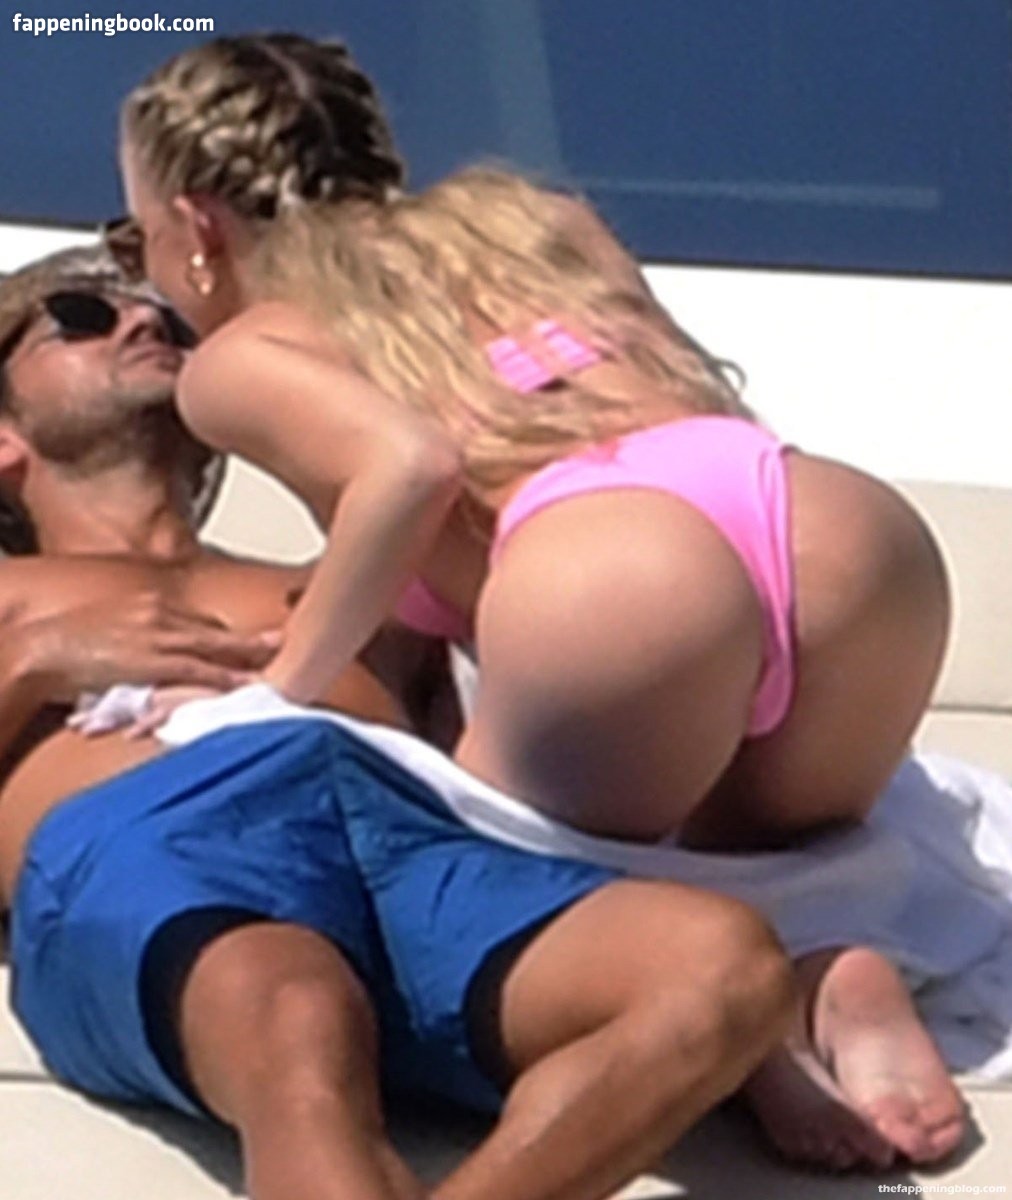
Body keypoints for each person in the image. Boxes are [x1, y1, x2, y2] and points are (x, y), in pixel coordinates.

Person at [108, 33, 964, 1170]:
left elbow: (409, 469)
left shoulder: (244, 356)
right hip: (834, 531)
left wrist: (278, 685)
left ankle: (768, 1026)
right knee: (765, 844)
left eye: (134, 239)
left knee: (513, 895)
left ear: (197, 226)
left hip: (611, 573)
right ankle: (836, 962)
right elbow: (679, 408)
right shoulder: (531, 225)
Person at [0, 247, 794, 1200]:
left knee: (721, 966)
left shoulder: (355, 587)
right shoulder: (13, 594)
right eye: (80, 316)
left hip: (409, 845)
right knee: (299, 1016)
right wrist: (33, 659)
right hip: (162, 845)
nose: (142, 322)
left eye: (170, 322)